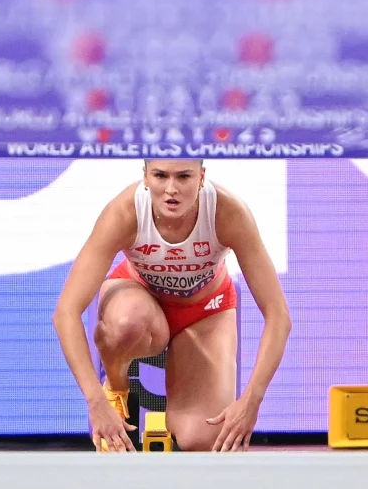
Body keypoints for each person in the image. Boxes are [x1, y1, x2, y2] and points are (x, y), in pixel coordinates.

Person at [53, 159, 291, 452]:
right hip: (138, 298)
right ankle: (116, 384)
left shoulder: (228, 213)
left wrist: (252, 401)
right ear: (145, 177)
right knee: (128, 321)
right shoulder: (124, 213)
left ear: (201, 177)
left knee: (205, 438)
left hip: (205, 310)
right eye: (160, 176)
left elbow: (278, 315)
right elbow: (66, 312)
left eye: (183, 177)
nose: (171, 190)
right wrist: (95, 402)